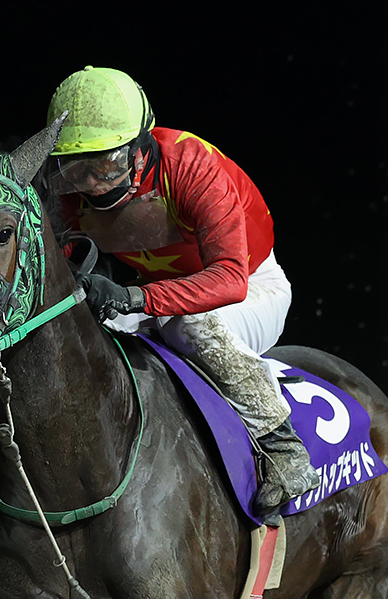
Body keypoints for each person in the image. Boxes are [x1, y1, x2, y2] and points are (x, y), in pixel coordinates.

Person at [44, 66, 320, 523]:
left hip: (249, 289)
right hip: (164, 295)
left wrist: (135, 298)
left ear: (140, 145)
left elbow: (229, 278)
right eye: (76, 168)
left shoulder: (192, 168)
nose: (92, 184)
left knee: (189, 325)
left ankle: (282, 446)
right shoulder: (71, 193)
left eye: (106, 164)